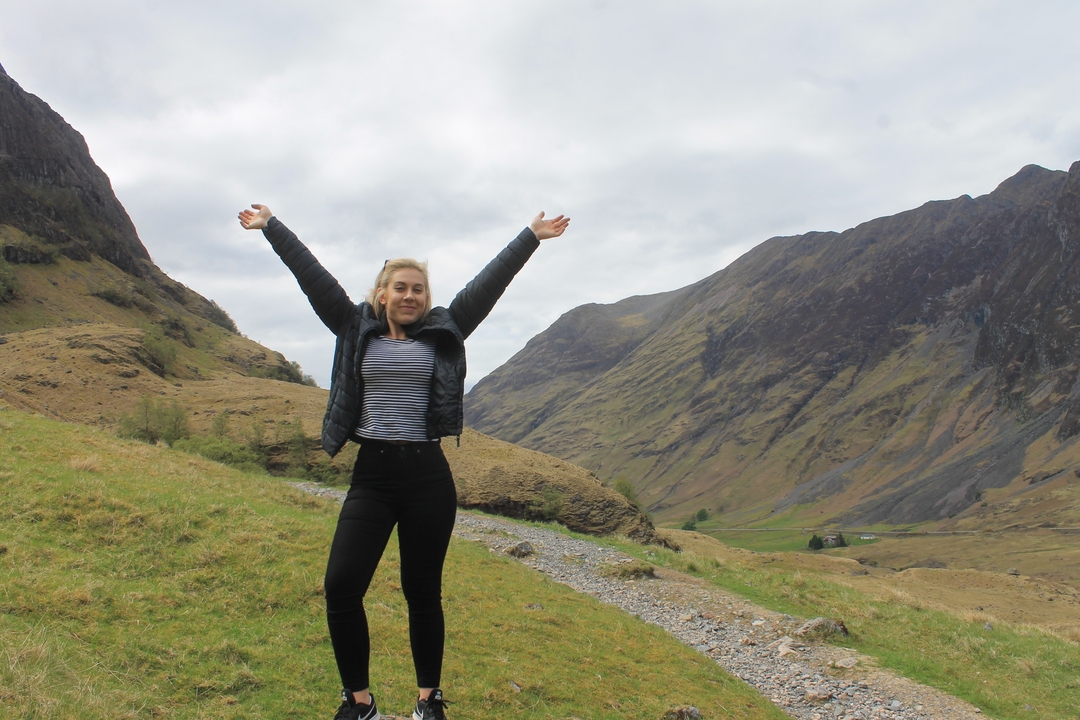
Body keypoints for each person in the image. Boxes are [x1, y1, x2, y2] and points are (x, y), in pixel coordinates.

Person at [238, 203, 569, 720]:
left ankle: (428, 700)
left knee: (422, 591)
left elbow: (488, 285)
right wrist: (272, 228)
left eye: (418, 289)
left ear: (426, 299)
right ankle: (359, 700)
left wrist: (530, 236)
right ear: (382, 294)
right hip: (371, 476)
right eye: (401, 288)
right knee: (342, 585)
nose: (410, 296)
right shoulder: (352, 326)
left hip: (427, 478)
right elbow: (312, 277)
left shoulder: (446, 329)